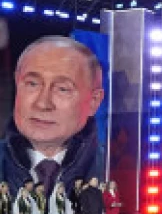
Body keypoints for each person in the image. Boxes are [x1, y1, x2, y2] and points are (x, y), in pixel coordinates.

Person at [0, 36, 105, 196]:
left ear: (94, 101)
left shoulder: (113, 169)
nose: (43, 103)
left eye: (62, 89)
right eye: (32, 84)